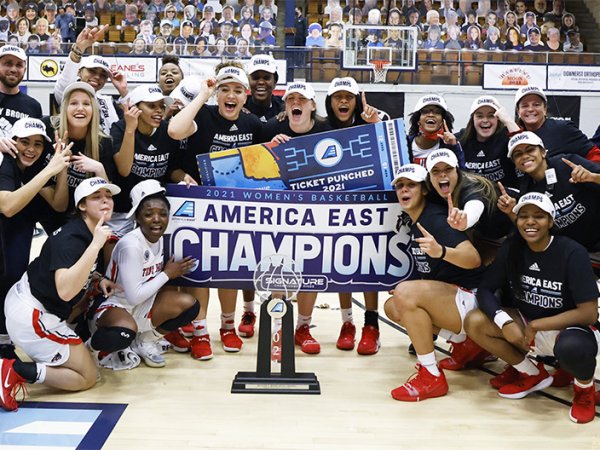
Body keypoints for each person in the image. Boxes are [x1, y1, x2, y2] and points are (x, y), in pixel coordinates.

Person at [465, 193, 600, 423]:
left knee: (572, 348)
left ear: (551, 222)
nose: (530, 221)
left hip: (570, 327)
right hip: (527, 325)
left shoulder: (571, 252)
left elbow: (588, 312)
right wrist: (503, 321)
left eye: (538, 216)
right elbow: (486, 289)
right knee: (474, 321)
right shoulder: (511, 248)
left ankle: (584, 390)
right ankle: (532, 373)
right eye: (523, 216)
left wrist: (538, 325)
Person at [168, 63, 263, 359]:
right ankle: (199, 331)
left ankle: (227, 327)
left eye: (237, 90)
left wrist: (278, 141)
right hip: (198, 207)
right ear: (217, 94)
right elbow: (174, 130)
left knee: (229, 271)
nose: (230, 95)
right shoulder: (204, 115)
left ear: (245, 96)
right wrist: (203, 95)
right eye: (224, 90)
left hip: (234, 211)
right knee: (200, 270)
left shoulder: (253, 125)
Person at [0, 177, 119, 411]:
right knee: (87, 377)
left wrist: (97, 278)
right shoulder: (74, 239)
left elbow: (70, 270)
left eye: (108, 196)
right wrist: (96, 245)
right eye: (97, 197)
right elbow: (65, 292)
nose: (105, 201)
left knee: (81, 364)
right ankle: (12, 370)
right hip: (32, 315)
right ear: (82, 206)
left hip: (28, 302)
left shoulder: (84, 229)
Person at [384, 163, 484, 401]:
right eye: (400, 186)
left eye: (411, 185)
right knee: (393, 305)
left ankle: (431, 374)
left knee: (405, 293)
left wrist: (441, 251)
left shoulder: (434, 218)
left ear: (425, 190)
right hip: (455, 297)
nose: (404, 190)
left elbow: (473, 259)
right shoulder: (414, 219)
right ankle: (465, 343)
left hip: (475, 298)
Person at [88, 180, 198, 368]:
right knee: (123, 333)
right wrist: (167, 274)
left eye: (163, 214)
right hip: (113, 306)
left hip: (143, 305)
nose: (157, 219)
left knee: (190, 306)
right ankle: (88, 349)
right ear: (137, 217)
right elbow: (133, 296)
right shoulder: (131, 245)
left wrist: (186, 187)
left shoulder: (161, 234)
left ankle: (145, 341)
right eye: (148, 214)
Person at [260, 81, 333, 354]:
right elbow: (250, 167)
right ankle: (277, 328)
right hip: (278, 212)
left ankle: (303, 327)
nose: (295, 103)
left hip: (314, 213)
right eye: (290, 99)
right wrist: (269, 149)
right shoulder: (270, 130)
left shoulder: (328, 132)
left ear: (313, 105)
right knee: (278, 268)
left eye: (301, 99)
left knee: (310, 269)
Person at [0, 118, 71, 362]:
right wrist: (49, 170)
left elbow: (59, 204)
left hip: (17, 232)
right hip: (8, 224)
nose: (31, 149)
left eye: (38, 144)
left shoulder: (35, 167)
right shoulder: (4, 161)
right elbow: (7, 206)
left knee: (11, 277)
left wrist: (59, 169)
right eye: (25, 142)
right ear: (13, 141)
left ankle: (4, 345)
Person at [324, 77, 384, 355]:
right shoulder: (321, 128)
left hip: (367, 208)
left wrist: (376, 124)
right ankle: (347, 323)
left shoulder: (370, 125)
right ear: (331, 101)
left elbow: (393, 151)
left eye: (349, 96)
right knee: (342, 265)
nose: (344, 101)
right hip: (333, 210)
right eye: (338, 97)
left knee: (367, 267)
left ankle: (371, 325)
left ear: (357, 100)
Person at [498, 132, 600, 253]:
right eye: (518, 154)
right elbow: (532, 229)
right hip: (574, 251)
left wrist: (592, 177)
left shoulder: (568, 163)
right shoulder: (526, 191)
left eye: (530, 150)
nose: (525, 156)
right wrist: (510, 211)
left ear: (543, 152)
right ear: (515, 162)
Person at [109, 85, 180, 238]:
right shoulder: (119, 128)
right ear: (135, 109)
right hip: (123, 211)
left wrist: (183, 177)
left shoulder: (167, 131)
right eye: (151, 106)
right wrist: (130, 129)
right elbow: (124, 169)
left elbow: (171, 169)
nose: (159, 111)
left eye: (161, 106)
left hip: (153, 211)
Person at [42, 82, 115, 223]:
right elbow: (59, 206)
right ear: (64, 108)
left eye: (86, 104)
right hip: (43, 212)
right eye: (74, 103)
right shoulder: (48, 129)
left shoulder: (103, 143)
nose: (80, 108)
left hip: (81, 218)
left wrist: (99, 168)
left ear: (93, 109)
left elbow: (105, 198)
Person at [54, 26, 128, 135]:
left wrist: (123, 91)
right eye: (92, 71)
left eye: (103, 75)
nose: (98, 77)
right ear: (79, 72)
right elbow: (65, 82)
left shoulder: (108, 102)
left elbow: (134, 121)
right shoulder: (68, 95)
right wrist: (78, 50)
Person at [514, 86, 600, 161]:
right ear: (518, 112)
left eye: (536, 105)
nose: (530, 109)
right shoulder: (514, 135)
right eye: (525, 106)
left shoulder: (563, 128)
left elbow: (594, 154)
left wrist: (589, 175)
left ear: (545, 109)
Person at [457, 96, 520, 188]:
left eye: (491, 115)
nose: (485, 120)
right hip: (470, 195)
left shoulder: (506, 136)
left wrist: (507, 120)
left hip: (504, 196)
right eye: (479, 116)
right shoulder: (461, 138)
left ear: (498, 118)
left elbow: (523, 145)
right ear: (472, 119)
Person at [407, 94, 464, 168]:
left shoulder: (450, 145)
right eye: (425, 111)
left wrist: (453, 146)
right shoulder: (404, 144)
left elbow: (462, 174)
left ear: (443, 121)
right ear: (418, 120)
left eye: (437, 112)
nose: (431, 114)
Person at [244, 54, 283, 124]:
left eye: (266, 78)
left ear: (275, 81)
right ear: (248, 81)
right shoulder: (239, 106)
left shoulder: (285, 106)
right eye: (255, 77)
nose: (261, 82)